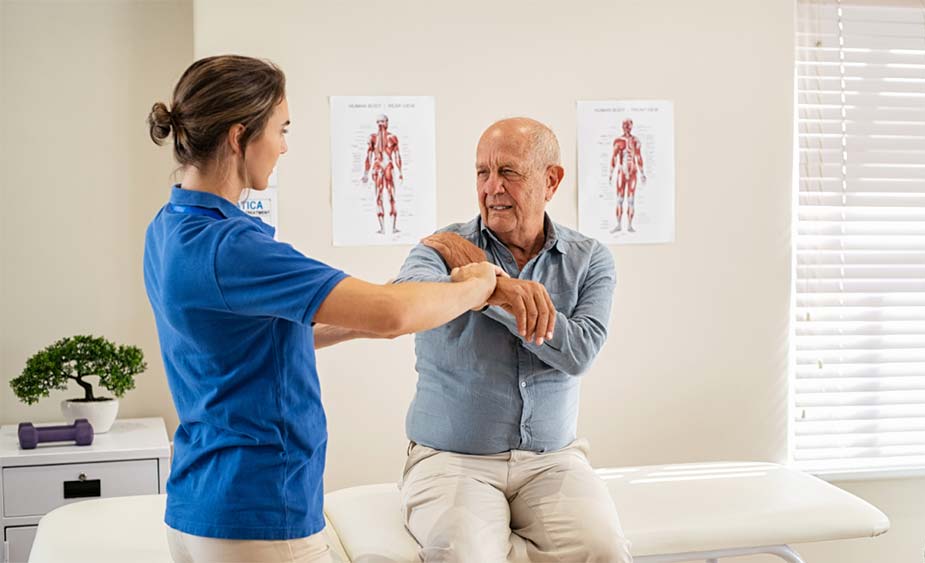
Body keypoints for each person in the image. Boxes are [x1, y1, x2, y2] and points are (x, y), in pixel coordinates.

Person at [143, 55, 521, 563]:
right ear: (238, 137)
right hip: (259, 512)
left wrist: (355, 320)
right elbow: (393, 316)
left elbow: (244, 339)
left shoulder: (168, 228)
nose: (283, 146)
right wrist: (477, 285)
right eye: (281, 129)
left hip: (199, 504)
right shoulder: (232, 247)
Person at [395, 117, 631, 562]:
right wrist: (500, 288)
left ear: (551, 180)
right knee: (463, 556)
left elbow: (579, 351)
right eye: (482, 173)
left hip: (552, 461)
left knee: (605, 552)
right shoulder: (441, 249)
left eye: (509, 172)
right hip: (451, 461)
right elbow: (412, 302)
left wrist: (486, 293)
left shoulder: (589, 259)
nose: (491, 188)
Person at [360, 114, 403, 234]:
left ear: (387, 122)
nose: (380, 124)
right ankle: (382, 228)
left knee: (391, 196)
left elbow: (397, 155)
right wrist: (365, 173)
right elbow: (368, 156)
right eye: (378, 122)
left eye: (382, 122)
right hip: (378, 167)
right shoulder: (372, 138)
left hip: (389, 167)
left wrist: (400, 172)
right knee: (378, 196)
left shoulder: (392, 138)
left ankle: (393, 227)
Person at [609, 118, 646, 233]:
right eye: (625, 125)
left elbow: (639, 157)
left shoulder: (636, 141)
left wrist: (642, 173)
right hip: (621, 172)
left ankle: (629, 225)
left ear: (631, 126)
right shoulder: (618, 141)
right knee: (620, 199)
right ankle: (619, 225)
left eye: (628, 125)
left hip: (633, 172)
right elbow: (614, 157)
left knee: (630, 200)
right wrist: (611, 172)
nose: (626, 127)